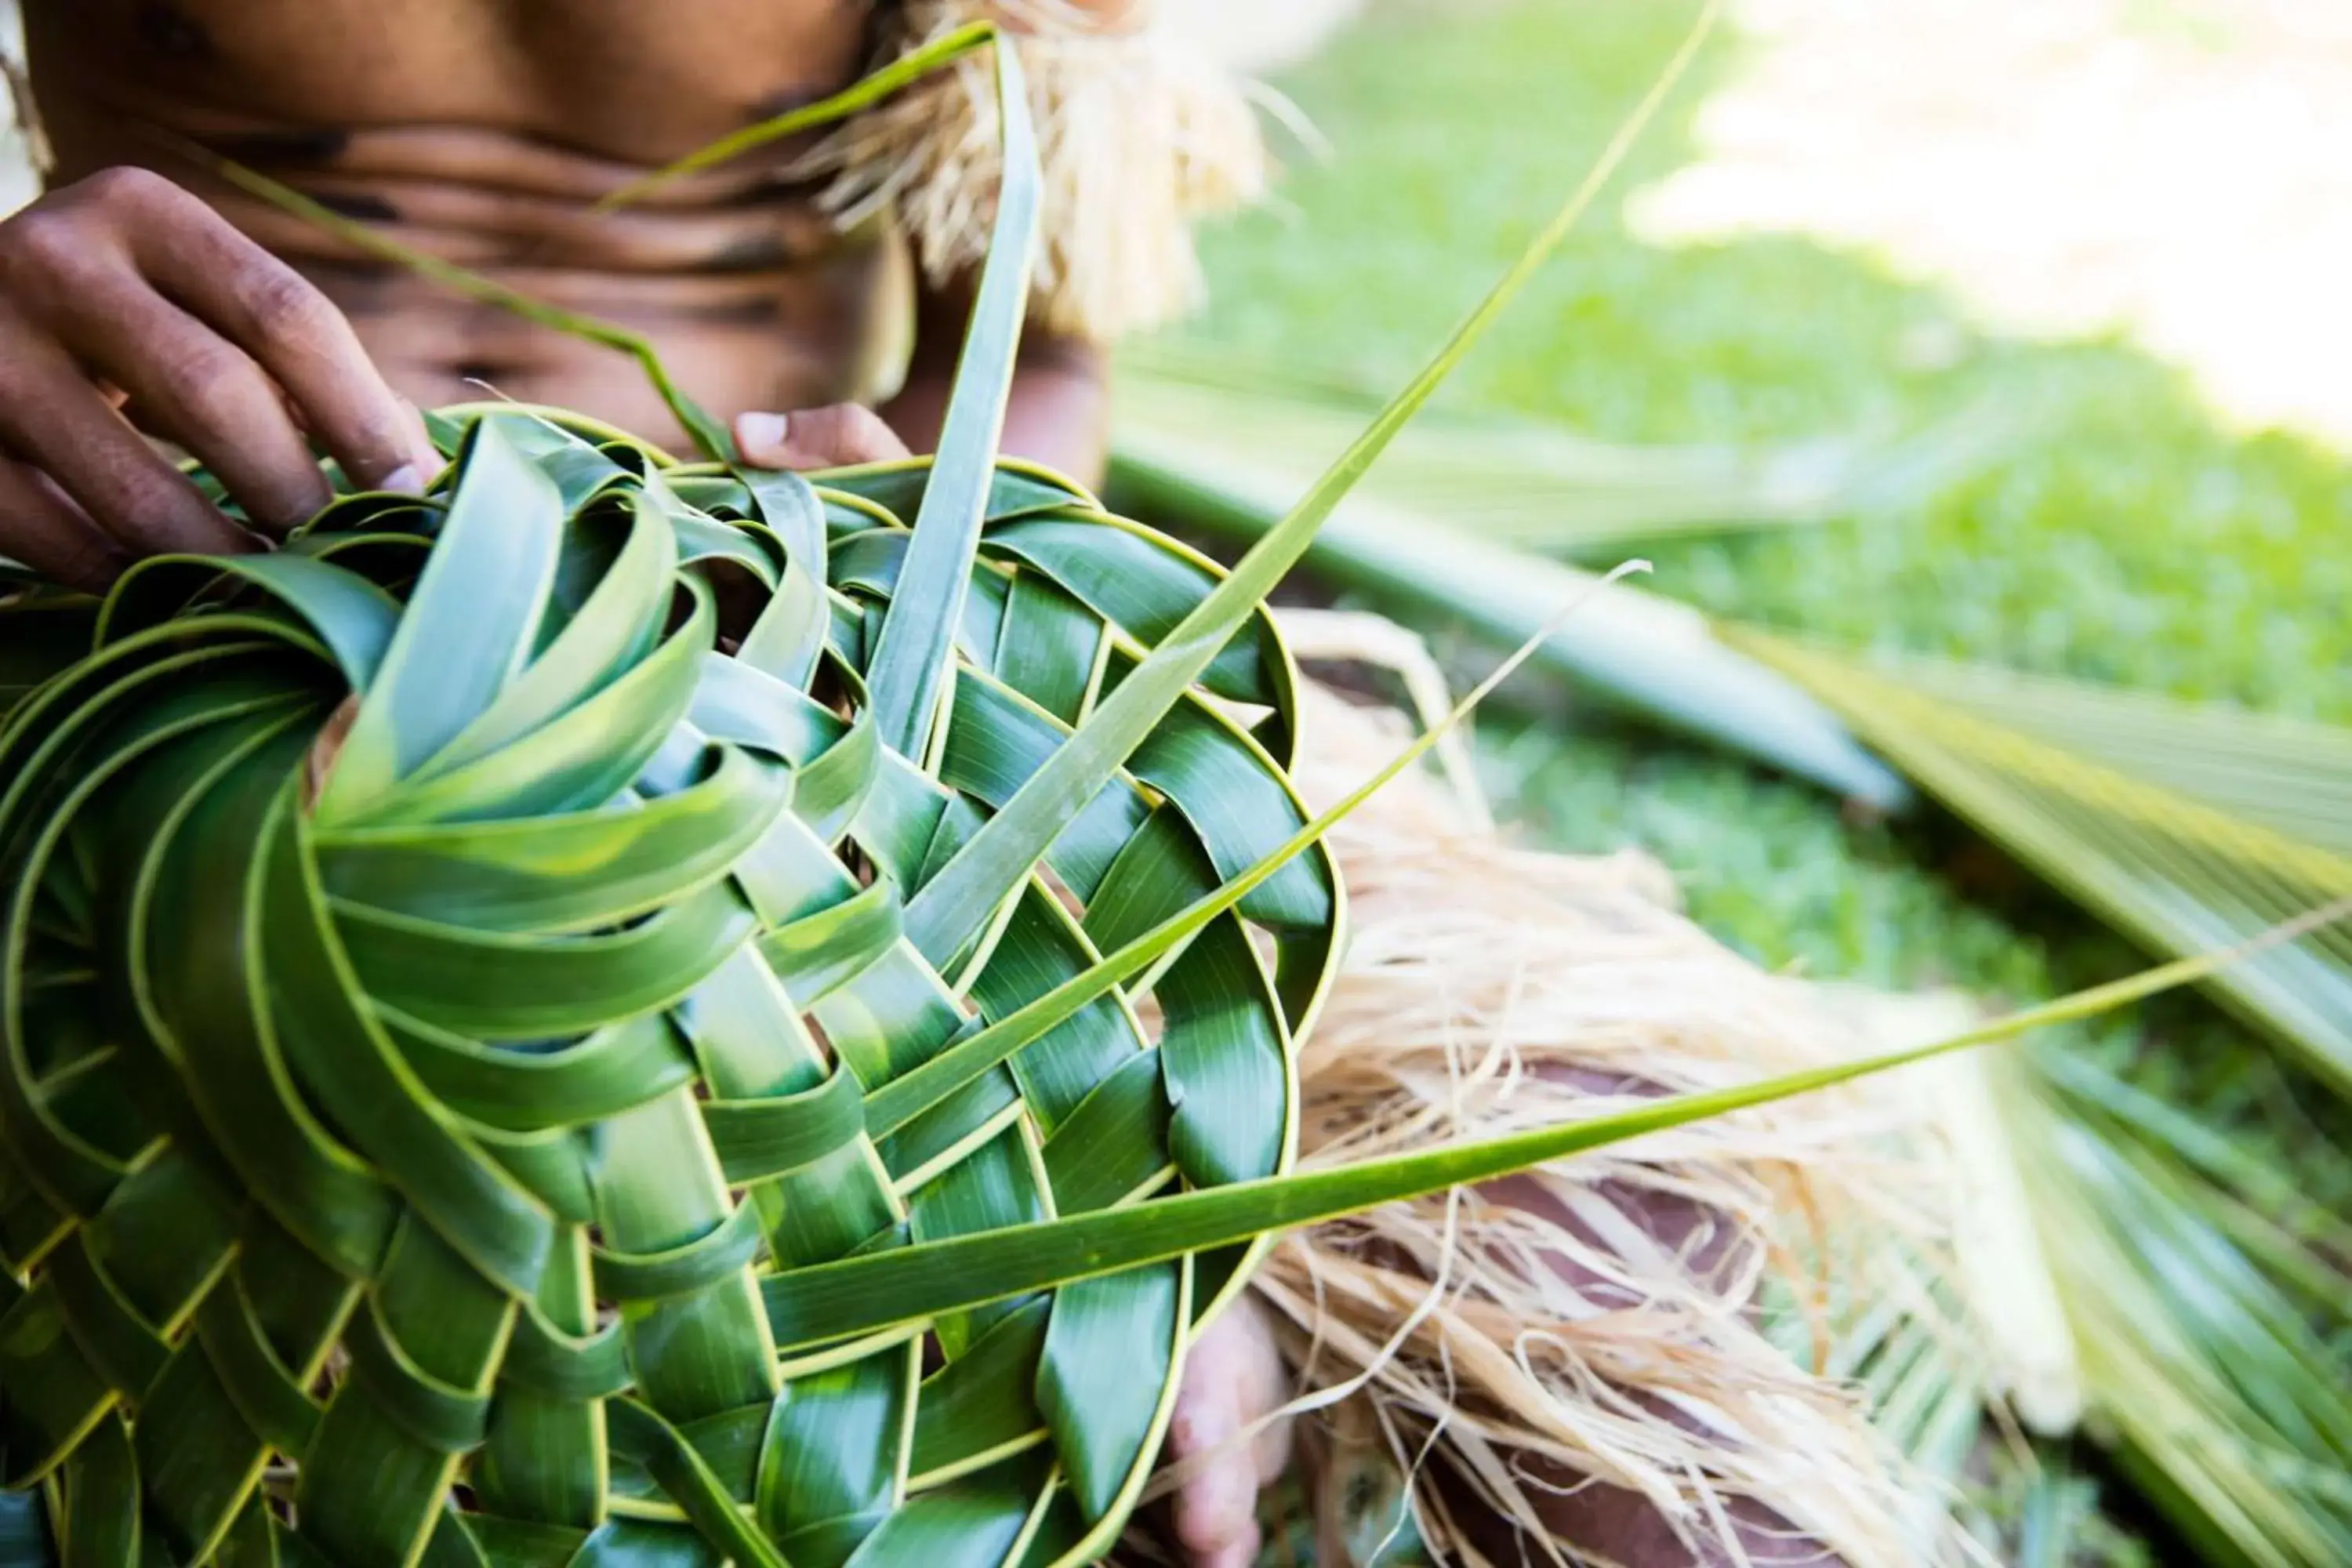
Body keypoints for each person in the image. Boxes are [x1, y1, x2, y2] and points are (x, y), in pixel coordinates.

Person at [1, 5, 1873, 1563]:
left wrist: (925, 617)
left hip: (864, 669)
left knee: (1587, 1228)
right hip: (185, 693)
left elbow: (1044, 359)